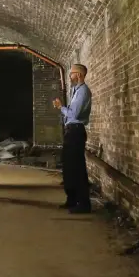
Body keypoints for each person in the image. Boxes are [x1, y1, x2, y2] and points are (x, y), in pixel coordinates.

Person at [54, 64, 92, 214]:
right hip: (71, 131)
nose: (70, 77)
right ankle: (72, 199)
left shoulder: (83, 92)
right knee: (69, 167)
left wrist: (61, 107)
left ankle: (83, 204)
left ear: (79, 75)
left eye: (72, 74)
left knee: (77, 168)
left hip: (76, 131)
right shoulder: (76, 91)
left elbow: (74, 114)